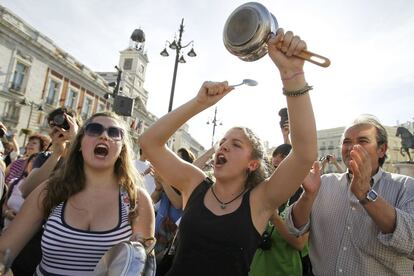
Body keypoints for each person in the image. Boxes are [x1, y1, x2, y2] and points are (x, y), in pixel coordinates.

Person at [139, 29, 317, 275]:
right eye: (223, 141)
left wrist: (293, 74)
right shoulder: (194, 184)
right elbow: (149, 143)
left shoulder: (260, 200)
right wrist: (199, 103)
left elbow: (304, 154)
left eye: (236, 144)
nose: (223, 146)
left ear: (253, 164)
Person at [0, 112, 154, 275]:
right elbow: (4, 250)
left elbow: (140, 268)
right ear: (79, 143)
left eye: (114, 133)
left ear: (122, 147)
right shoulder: (50, 190)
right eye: (94, 129)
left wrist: (139, 252)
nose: (104, 136)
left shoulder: (136, 200)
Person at [285, 114, 414, 275]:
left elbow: (411, 242)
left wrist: (366, 193)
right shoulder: (323, 183)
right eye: (347, 142)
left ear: (382, 150)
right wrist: (308, 196)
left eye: (363, 141)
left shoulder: (406, 186)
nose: (352, 147)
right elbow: (292, 227)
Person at [20, 107, 79, 198]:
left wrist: (75, 139)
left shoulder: (84, 155)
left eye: (66, 124)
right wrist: (56, 154)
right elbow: (26, 191)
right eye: (53, 125)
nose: (58, 129)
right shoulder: (44, 157)